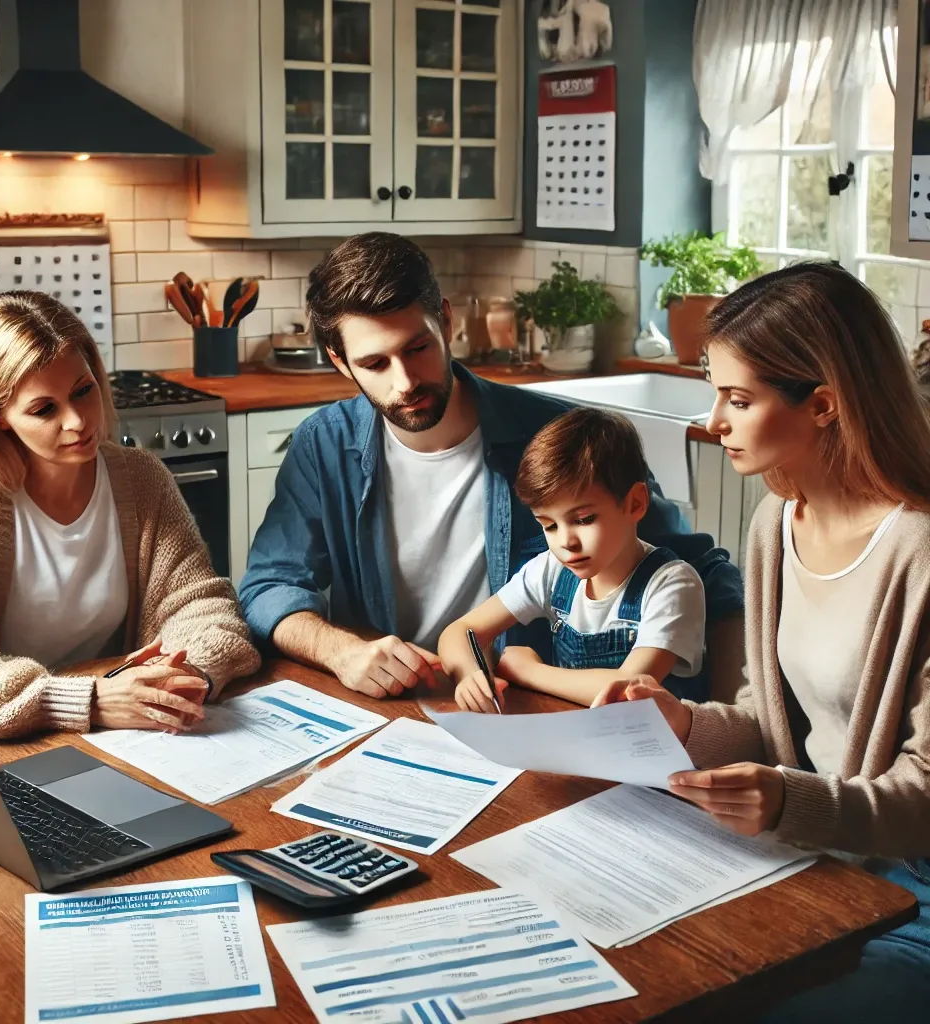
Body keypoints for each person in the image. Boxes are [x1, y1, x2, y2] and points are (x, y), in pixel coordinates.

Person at [592, 262, 930, 1021]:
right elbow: (771, 723)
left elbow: (926, 801)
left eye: (738, 400)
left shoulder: (921, 551)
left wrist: (786, 802)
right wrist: (685, 722)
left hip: (911, 890)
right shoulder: (775, 526)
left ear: (823, 405)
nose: (714, 422)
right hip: (812, 852)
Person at [241, 231, 743, 699]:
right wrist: (341, 651)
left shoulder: (556, 436)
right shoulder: (323, 445)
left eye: (418, 348)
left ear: (447, 320)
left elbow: (701, 573)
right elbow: (268, 588)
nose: (405, 382)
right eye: (375, 364)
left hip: (528, 709)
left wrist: (732, 722)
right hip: (395, 703)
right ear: (338, 360)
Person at [0, 292, 260, 740]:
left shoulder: (141, 478)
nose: (77, 421)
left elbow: (202, 604)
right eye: (44, 409)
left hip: (127, 732)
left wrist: (183, 674)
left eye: (83, 391)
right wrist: (87, 700)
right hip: (4, 746)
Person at [439, 406, 705, 712]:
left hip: (656, 752)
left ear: (635, 503)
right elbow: (458, 632)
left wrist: (529, 672)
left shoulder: (672, 584)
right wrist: (470, 675)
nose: (566, 542)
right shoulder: (551, 571)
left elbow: (629, 692)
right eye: (549, 525)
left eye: (584, 519)